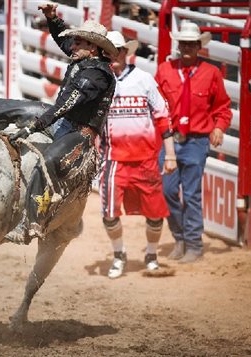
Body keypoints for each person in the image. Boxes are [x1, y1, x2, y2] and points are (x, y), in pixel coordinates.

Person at [6, 3, 118, 244]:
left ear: (93, 48)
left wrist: (34, 126)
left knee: (47, 161)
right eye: (75, 42)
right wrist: (51, 17)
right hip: (64, 122)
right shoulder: (86, 59)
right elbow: (62, 41)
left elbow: (65, 105)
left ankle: (32, 222)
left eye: (78, 42)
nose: (72, 46)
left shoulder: (96, 76)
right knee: (18, 109)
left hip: (79, 134)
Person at [99, 31, 177, 279]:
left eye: (117, 50)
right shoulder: (99, 81)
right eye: (107, 50)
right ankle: (119, 254)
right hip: (113, 160)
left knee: (155, 214)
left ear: (125, 52)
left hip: (145, 160)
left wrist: (171, 155)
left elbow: (163, 117)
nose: (113, 55)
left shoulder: (144, 79)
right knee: (109, 213)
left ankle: (151, 254)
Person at [154, 21, 232, 264]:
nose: (187, 47)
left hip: (196, 142)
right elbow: (155, 103)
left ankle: (194, 244)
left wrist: (219, 127)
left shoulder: (211, 73)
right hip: (170, 140)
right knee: (166, 191)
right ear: (179, 45)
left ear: (199, 46)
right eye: (183, 43)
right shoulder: (165, 70)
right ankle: (180, 238)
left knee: (191, 194)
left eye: (191, 44)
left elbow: (222, 107)